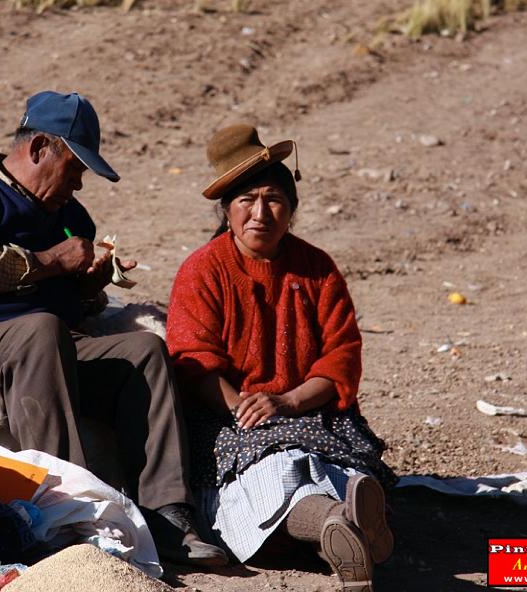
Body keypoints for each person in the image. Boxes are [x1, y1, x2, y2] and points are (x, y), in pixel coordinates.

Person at [0, 90, 226, 567]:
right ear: (38, 150)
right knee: (41, 330)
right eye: (74, 169)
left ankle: (166, 516)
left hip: (43, 345)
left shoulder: (70, 217)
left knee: (144, 351)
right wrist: (54, 261)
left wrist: (89, 286)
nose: (78, 184)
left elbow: (66, 308)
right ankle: (69, 513)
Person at [166, 124, 397, 591]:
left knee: (331, 459)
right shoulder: (203, 270)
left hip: (307, 408)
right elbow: (192, 357)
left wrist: (288, 402)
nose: (260, 213)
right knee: (272, 464)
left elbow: (342, 356)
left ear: (291, 208)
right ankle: (342, 523)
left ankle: (341, 527)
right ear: (227, 210)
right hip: (226, 416)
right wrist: (246, 410)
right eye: (246, 200)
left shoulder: (317, 268)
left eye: (273, 199)